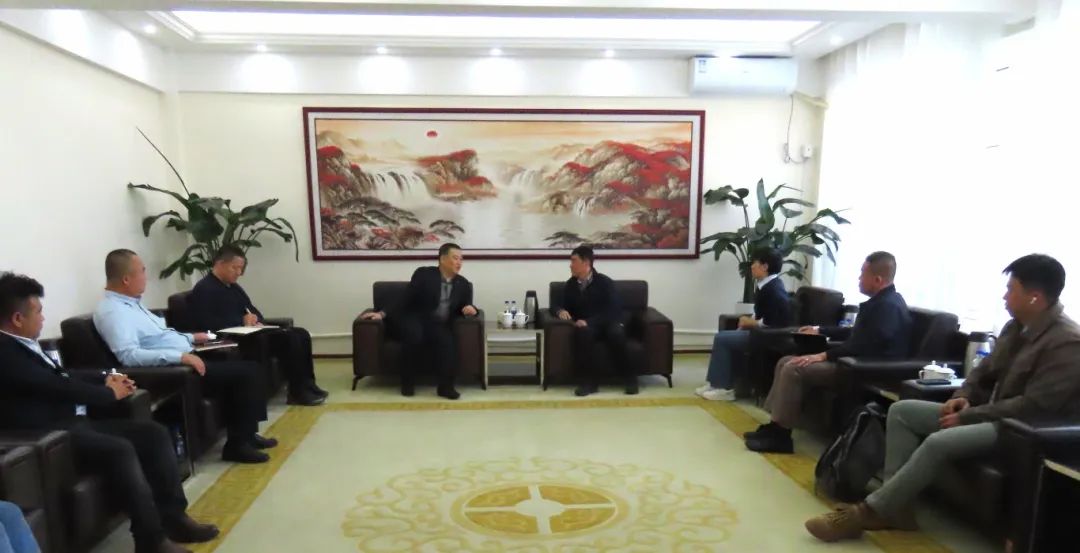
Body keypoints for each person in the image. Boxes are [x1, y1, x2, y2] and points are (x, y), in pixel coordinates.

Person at [804, 254, 1080, 544]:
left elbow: (1033, 406)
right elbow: (983, 370)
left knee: (939, 441)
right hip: (990, 414)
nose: (1004, 296)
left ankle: (869, 511)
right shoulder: (1015, 327)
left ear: (1035, 297)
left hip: (1020, 431)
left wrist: (968, 416)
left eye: (1011, 289)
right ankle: (897, 510)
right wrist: (963, 396)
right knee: (901, 411)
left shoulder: (1067, 342)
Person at [0, 273, 218, 553]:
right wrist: (109, 394)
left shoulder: (23, 344)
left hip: (73, 423)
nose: (43, 318)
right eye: (38, 312)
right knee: (120, 448)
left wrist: (107, 377)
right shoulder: (5, 354)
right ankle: (150, 540)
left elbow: (64, 375)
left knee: (153, 433)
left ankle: (174, 518)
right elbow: (55, 386)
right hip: (50, 435)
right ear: (18, 318)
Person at [91, 249, 275, 464]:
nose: (146, 277)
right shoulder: (113, 312)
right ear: (126, 279)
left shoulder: (132, 304)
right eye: (142, 271)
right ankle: (237, 446)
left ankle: (247, 435)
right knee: (246, 373)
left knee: (245, 363)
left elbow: (160, 336)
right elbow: (129, 356)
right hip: (173, 370)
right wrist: (180, 357)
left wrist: (192, 337)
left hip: (188, 352)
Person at [746, 251, 912, 453]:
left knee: (793, 368)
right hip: (850, 361)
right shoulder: (880, 302)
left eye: (862, 273)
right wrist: (819, 329)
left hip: (863, 371)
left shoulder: (888, 307)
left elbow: (864, 346)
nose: (859, 278)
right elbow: (854, 333)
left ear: (877, 279)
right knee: (785, 361)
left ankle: (781, 437)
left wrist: (822, 356)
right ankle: (775, 425)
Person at [188, 245, 327, 406]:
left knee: (301, 334)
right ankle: (297, 392)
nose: (239, 273)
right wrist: (241, 321)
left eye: (241, 268)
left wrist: (255, 319)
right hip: (233, 339)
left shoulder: (234, 287)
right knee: (290, 339)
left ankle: (309, 385)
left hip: (251, 333)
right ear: (219, 264)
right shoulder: (204, 289)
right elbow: (206, 323)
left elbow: (252, 310)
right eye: (235, 268)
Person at [359, 243, 478, 399]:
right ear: (442, 259)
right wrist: (381, 314)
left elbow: (467, 305)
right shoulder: (424, 274)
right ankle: (407, 382)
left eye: (461, 259)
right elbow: (405, 297)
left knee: (448, 342)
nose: (459, 262)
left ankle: (445, 387)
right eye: (455, 258)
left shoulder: (463, 284)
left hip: (438, 324)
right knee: (414, 335)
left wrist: (472, 309)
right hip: (416, 318)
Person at [696, 248, 793, 401]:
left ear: (765, 267)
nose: (752, 266)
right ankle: (715, 384)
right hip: (759, 333)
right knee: (724, 337)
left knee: (722, 339)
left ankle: (724, 389)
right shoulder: (766, 285)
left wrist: (750, 322)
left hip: (768, 337)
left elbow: (773, 322)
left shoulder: (774, 290)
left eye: (755, 263)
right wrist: (749, 321)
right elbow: (761, 313)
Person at [552, 245, 636, 397]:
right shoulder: (571, 285)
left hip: (607, 321)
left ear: (586, 262)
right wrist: (560, 311)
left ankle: (630, 379)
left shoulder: (604, 282)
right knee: (583, 334)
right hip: (588, 327)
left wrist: (590, 322)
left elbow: (613, 309)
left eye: (574, 261)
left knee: (616, 334)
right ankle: (589, 383)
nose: (570, 265)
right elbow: (556, 304)